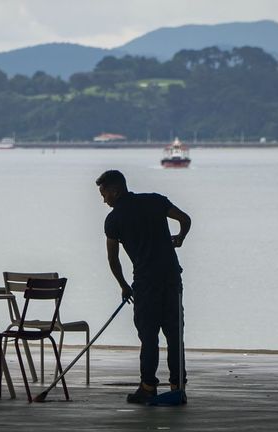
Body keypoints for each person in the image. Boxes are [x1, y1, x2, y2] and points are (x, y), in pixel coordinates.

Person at [95, 170, 191, 404]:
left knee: (149, 337)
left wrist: (124, 286)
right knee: (175, 334)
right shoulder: (155, 201)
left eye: (104, 193)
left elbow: (113, 259)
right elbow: (185, 219)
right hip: (171, 278)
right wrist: (180, 238)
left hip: (146, 282)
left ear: (115, 190)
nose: (103, 199)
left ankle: (148, 387)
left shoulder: (114, 220)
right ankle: (177, 386)